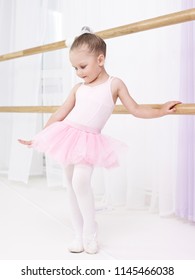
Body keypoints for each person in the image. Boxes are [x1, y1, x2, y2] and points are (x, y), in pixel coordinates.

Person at [18, 27, 180, 254]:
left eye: (82, 66)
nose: (78, 72)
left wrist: (161, 110)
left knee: (80, 182)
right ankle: (77, 233)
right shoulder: (78, 88)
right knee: (71, 186)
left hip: (89, 141)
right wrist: (39, 137)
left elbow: (135, 109)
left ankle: (90, 230)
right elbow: (59, 114)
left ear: (100, 59)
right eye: (74, 68)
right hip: (67, 134)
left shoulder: (114, 84)